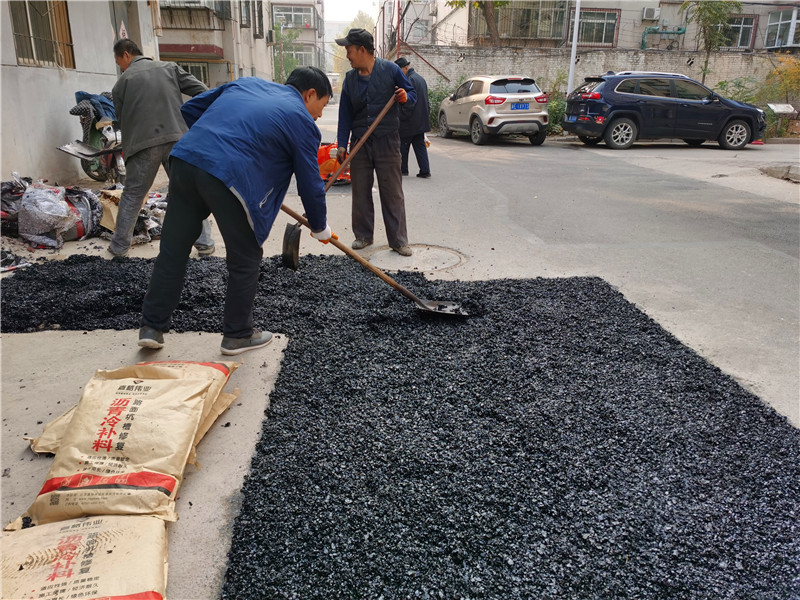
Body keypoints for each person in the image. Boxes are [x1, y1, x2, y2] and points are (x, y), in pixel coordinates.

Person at [137, 67, 335, 355]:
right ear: (310, 94)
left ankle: (151, 327)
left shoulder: (246, 84)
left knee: (173, 250)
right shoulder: (301, 120)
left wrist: (214, 143)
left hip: (185, 160)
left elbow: (192, 108)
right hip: (228, 176)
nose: (319, 114)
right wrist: (319, 226)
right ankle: (238, 334)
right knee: (245, 257)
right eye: (322, 106)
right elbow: (310, 183)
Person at [109, 39, 215, 257]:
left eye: (119, 61)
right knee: (189, 193)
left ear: (126, 55)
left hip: (142, 145)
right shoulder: (170, 68)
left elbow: (121, 120)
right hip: (177, 138)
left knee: (133, 195)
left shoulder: (122, 83)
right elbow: (203, 91)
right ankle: (204, 244)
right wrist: (187, 119)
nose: (120, 66)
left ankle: (119, 248)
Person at [335, 28, 417, 257]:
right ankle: (363, 235)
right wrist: (343, 144)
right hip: (360, 142)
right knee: (360, 190)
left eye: (349, 50)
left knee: (392, 191)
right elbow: (345, 115)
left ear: (362, 50)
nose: (347, 55)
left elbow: (411, 94)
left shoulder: (390, 70)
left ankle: (399, 240)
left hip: (387, 140)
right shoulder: (350, 79)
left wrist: (404, 96)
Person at [394, 57, 431, 179]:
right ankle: (425, 171)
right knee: (420, 146)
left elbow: (408, 104)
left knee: (403, 147)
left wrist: (401, 117)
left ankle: (403, 170)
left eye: (399, 70)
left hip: (410, 122)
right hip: (420, 121)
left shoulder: (408, 80)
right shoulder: (420, 79)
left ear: (405, 68)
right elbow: (427, 101)